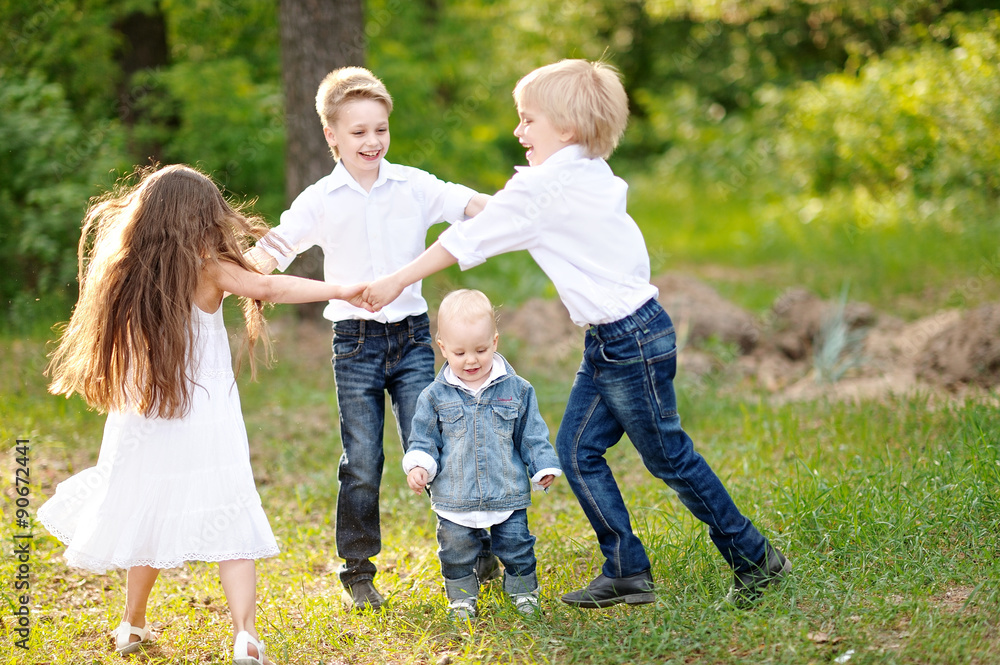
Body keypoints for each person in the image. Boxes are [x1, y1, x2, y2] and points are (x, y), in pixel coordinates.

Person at [363, 59, 791, 609]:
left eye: (528, 119)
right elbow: (505, 218)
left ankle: (753, 558)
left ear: (565, 127)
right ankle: (627, 571)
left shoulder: (545, 186)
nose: (518, 132)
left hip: (627, 340)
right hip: (622, 337)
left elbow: (470, 239)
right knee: (577, 450)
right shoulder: (586, 170)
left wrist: (396, 278)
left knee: (669, 458)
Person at [38, 164, 366, 663]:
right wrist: (341, 289)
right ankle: (245, 635)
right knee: (230, 511)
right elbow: (271, 289)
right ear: (199, 218)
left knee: (146, 514)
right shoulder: (208, 268)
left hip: (142, 415)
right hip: (206, 416)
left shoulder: (122, 269)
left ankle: (131, 623)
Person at [247, 66, 493, 612]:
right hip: (354, 343)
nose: (372, 141)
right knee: (361, 459)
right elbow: (274, 248)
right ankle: (357, 570)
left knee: (433, 445)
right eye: (358, 132)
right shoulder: (321, 198)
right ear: (332, 136)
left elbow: (469, 203)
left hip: (411, 340)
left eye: (380, 129)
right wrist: (238, 269)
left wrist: (513, 209)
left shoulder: (413, 185)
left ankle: (476, 551)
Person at [401, 289, 561, 620]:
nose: (471, 360)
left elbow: (531, 434)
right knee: (455, 551)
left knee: (517, 546)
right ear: (442, 347)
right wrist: (419, 465)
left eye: (481, 349)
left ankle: (523, 591)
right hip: (455, 497)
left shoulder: (517, 390)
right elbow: (424, 439)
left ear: (495, 341)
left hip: (507, 491)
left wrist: (542, 465)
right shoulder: (433, 396)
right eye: (459, 352)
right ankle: (461, 598)